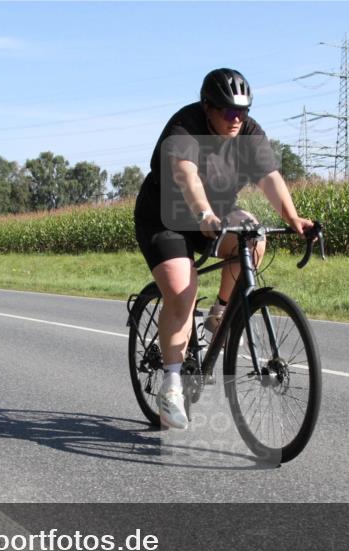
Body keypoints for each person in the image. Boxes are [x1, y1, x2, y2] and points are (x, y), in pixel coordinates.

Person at [134, 68, 314, 429]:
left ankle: (220, 312)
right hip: (165, 219)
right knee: (183, 290)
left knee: (254, 237)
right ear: (207, 106)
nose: (237, 119)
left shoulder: (248, 132)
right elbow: (185, 175)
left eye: (243, 111)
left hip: (214, 216)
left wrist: (294, 218)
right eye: (229, 111)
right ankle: (171, 386)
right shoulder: (185, 127)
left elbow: (269, 178)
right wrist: (203, 214)